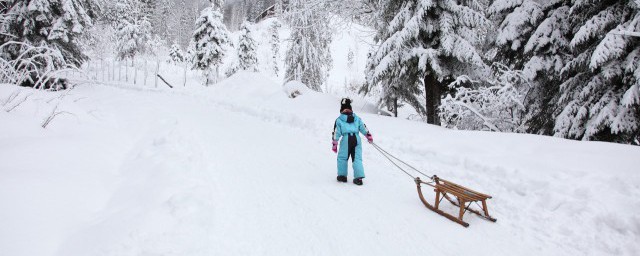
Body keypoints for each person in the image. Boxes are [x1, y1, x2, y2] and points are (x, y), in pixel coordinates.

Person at [331, 98, 373, 186]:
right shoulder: (357, 118)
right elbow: (363, 127)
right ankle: (358, 178)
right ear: (350, 108)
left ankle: (342, 176)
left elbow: (336, 132)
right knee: (357, 158)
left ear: (341, 109)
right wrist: (368, 135)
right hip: (357, 139)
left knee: (342, 157)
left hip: (346, 139)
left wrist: (335, 143)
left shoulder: (339, 120)